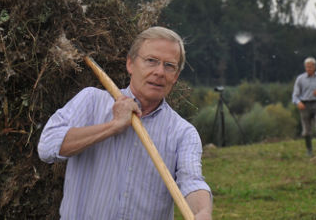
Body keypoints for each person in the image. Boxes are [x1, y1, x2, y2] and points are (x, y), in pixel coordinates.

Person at [38, 26, 213, 220]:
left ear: (176, 77)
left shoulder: (183, 132)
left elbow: (192, 181)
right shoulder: (91, 101)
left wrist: (202, 212)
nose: (159, 72)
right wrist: (112, 126)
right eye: (151, 61)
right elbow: (47, 147)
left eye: (169, 66)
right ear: (130, 64)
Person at [292, 57, 316, 157]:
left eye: (310, 66)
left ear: (314, 66)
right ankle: (309, 151)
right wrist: (298, 102)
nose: (308, 68)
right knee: (306, 128)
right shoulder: (300, 79)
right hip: (305, 105)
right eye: (307, 67)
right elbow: (295, 95)